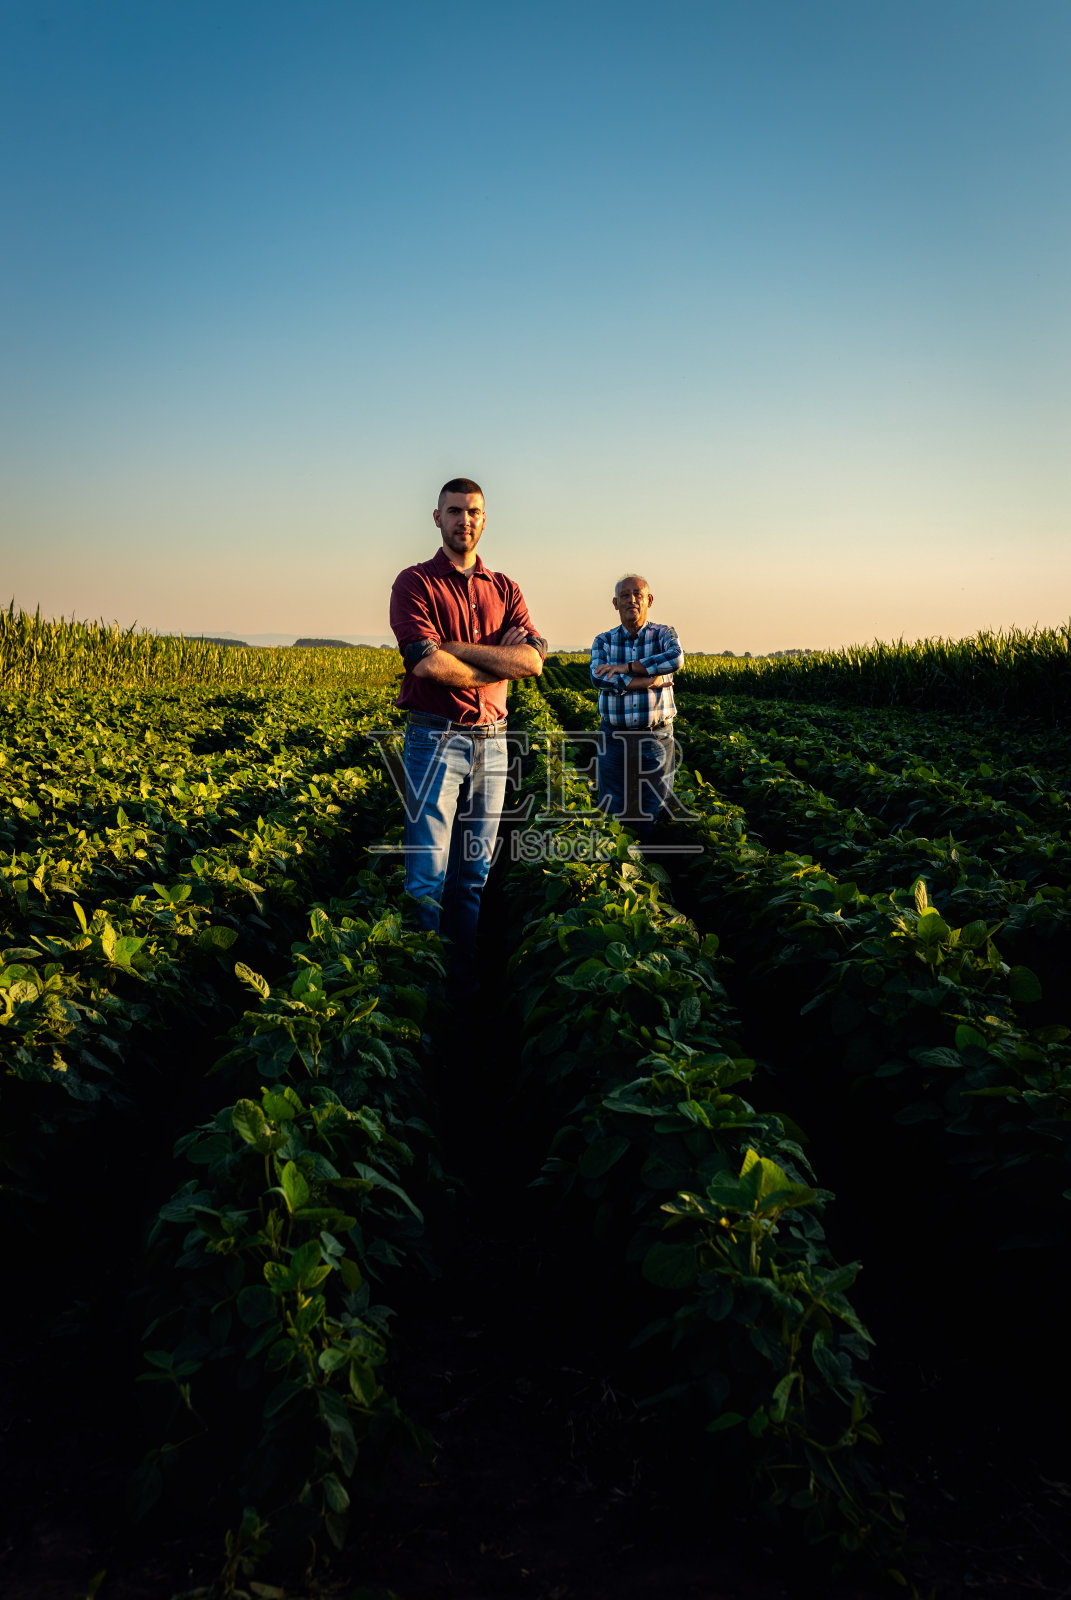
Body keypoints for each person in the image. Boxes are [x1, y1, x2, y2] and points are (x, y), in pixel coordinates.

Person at [389, 477, 546, 988]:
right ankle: (425, 988)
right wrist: (498, 662)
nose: (465, 520)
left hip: (493, 742)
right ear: (437, 518)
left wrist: (454, 647)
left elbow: (533, 660)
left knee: (472, 877)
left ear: (484, 518)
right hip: (435, 740)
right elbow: (425, 666)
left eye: (474, 511)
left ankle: (460, 980)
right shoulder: (414, 583)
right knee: (426, 879)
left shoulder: (506, 588)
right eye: (454, 511)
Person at [590, 575, 684, 842]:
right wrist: (650, 680)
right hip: (614, 736)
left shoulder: (664, 634)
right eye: (624, 596)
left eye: (637, 594)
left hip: (655, 736)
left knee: (655, 805)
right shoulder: (603, 641)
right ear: (615, 603)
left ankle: (648, 863)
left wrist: (626, 668)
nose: (631, 600)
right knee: (611, 805)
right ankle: (615, 867)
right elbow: (598, 678)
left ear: (649, 600)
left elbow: (675, 659)